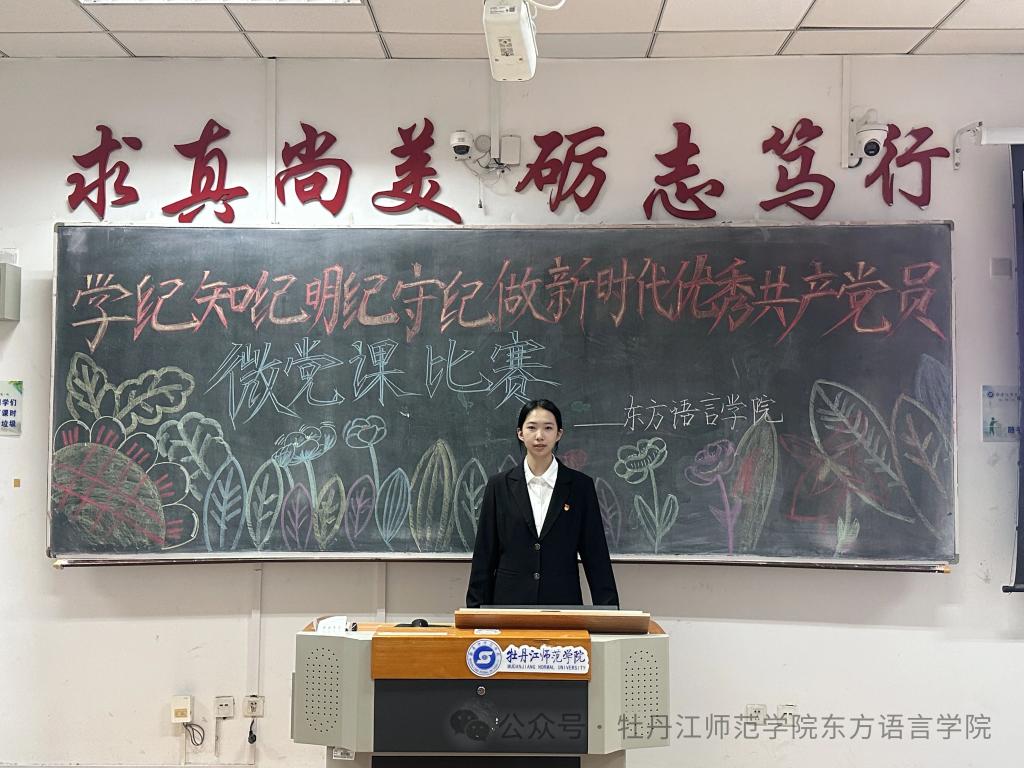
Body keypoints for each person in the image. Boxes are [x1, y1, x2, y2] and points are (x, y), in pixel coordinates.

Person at [466, 399, 619, 608]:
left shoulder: (580, 487)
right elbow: (484, 554)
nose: (539, 436)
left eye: (548, 428)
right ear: (520, 433)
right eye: (532, 428)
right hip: (508, 604)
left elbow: (596, 555)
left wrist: (610, 612)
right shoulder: (499, 486)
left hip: (562, 603)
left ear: (559, 434)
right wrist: (475, 612)